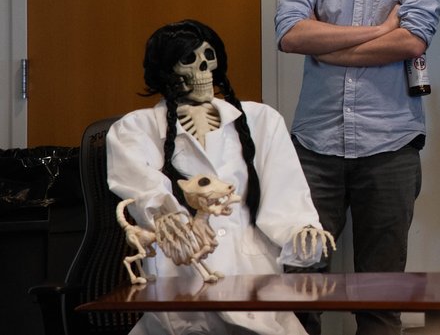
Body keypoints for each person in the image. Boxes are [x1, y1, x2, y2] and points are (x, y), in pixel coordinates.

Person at [275, 0, 440, 335]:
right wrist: (376, 31)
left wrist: (329, 44)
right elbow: (290, 34)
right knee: (302, 286)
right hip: (315, 145)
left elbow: (412, 40)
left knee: (380, 293)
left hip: (389, 144)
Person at [108, 20, 333, 335]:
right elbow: (145, 193)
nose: (203, 68)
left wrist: (301, 232)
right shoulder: (134, 128)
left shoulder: (261, 120)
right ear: (165, 70)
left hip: (254, 285)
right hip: (180, 285)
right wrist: (167, 215)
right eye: (189, 60)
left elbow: (286, 198)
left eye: (208, 57)